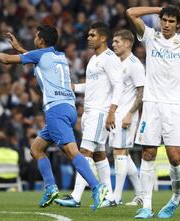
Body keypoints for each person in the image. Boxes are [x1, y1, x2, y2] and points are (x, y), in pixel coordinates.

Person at [0, 25, 107, 210]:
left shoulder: (39, 55)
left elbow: (6, 60)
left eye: (36, 35)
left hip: (55, 110)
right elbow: (39, 59)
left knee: (72, 152)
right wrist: (22, 50)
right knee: (36, 149)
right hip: (69, 108)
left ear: (41, 40)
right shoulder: (59, 56)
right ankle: (50, 188)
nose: (34, 37)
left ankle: (97, 187)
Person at [126, 4, 180, 219]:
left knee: (174, 157)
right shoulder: (151, 37)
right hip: (152, 103)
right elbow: (131, 12)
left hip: (174, 105)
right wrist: (159, 8)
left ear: (178, 23)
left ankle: (175, 198)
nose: (167, 24)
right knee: (148, 153)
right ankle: (146, 206)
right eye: (164, 20)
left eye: (171, 21)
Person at [54, 22, 123, 208]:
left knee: (83, 153)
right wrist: (74, 88)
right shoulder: (94, 59)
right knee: (99, 155)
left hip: (101, 113)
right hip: (89, 111)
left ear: (103, 38)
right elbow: (92, 86)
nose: (88, 37)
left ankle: (76, 197)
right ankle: (109, 197)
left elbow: (119, 85)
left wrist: (111, 112)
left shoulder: (110, 59)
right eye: (89, 35)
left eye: (92, 35)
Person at [110, 29, 145, 205]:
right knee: (123, 155)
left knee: (119, 153)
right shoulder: (116, 63)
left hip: (126, 115)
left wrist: (130, 114)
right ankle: (140, 194)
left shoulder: (135, 64)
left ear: (128, 44)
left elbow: (141, 91)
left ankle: (116, 196)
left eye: (117, 41)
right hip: (115, 114)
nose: (113, 44)